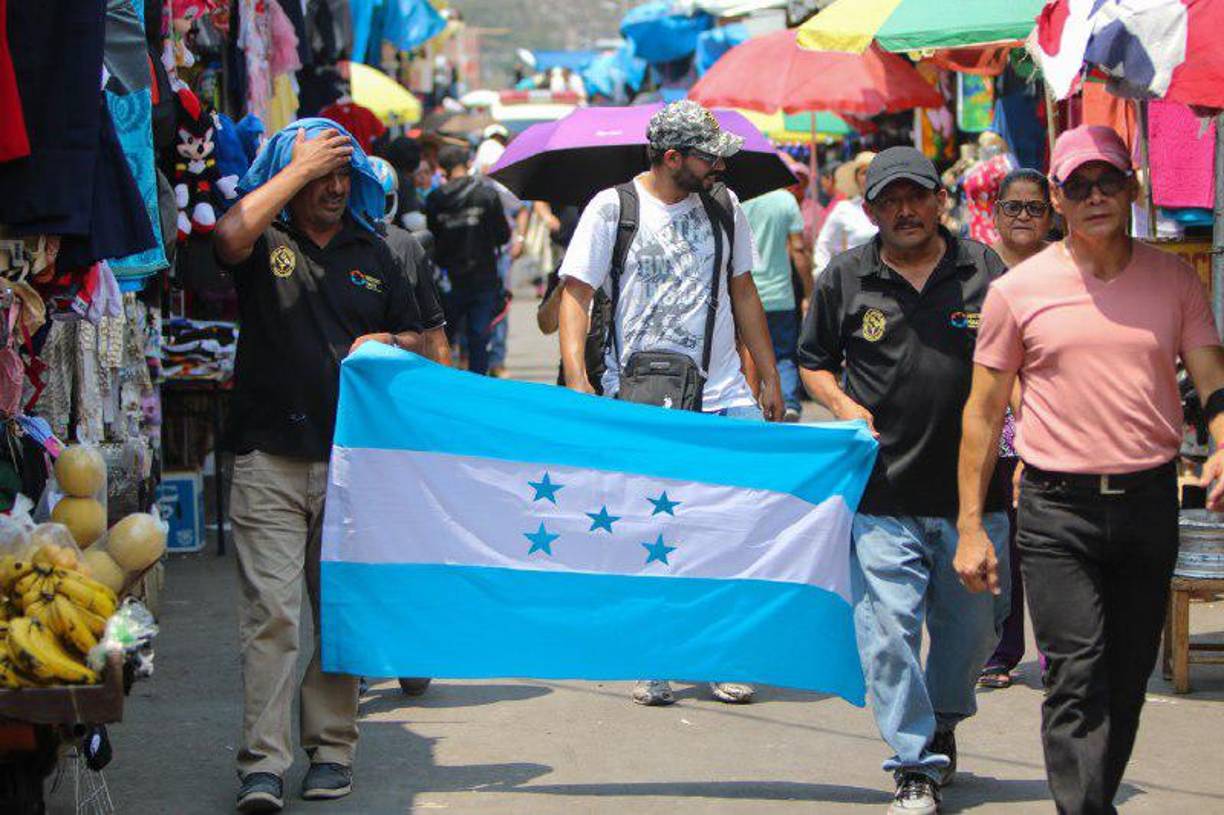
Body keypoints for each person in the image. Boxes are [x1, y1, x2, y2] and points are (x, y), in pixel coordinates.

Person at [956, 124, 1224, 815]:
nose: (1096, 195)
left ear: (1132, 186)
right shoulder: (1020, 290)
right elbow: (983, 414)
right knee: (1075, 675)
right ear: (1057, 199)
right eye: (1079, 185)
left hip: (1147, 503)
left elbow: (1212, 381)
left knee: (1127, 676)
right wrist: (969, 527)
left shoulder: (1173, 280)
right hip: (1055, 509)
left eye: (1108, 180)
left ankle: (1091, 798)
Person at [214, 122, 425, 813]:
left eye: (344, 173)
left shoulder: (382, 249)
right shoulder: (265, 239)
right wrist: (295, 170)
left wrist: (390, 340)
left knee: (339, 615)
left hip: (354, 469)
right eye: (322, 175)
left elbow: (430, 347)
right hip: (268, 458)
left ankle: (332, 748)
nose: (335, 187)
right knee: (271, 618)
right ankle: (263, 765)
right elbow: (228, 236)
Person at [798, 146, 1010, 815]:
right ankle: (914, 760)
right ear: (871, 210)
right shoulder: (845, 276)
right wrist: (840, 403)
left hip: (975, 498)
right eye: (890, 200)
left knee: (974, 632)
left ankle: (942, 718)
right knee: (887, 631)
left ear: (939, 199)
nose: (905, 210)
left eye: (916, 195)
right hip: (882, 494)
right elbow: (813, 362)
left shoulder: (985, 271)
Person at [557, 100, 784, 707]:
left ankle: (720, 653)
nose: (719, 166)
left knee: (732, 529)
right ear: (672, 156)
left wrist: (767, 372)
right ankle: (655, 655)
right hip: (639, 399)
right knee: (652, 531)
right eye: (708, 156)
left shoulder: (725, 207)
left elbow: (743, 290)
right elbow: (575, 296)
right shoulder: (613, 209)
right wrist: (579, 379)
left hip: (722, 394)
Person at [977, 169, 1054, 690]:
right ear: (996, 211)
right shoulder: (975, 269)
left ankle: (1056, 653)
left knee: (1046, 545)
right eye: (1013, 207)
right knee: (996, 541)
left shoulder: (1067, 269)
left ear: (1051, 214)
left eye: (1034, 207)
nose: (1023, 217)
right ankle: (1000, 650)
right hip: (991, 426)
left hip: (1054, 427)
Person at [425, 144, 510, 375]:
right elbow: (503, 235)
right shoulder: (487, 194)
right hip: (484, 275)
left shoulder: (435, 199)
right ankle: (478, 385)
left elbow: (432, 237)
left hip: (448, 278)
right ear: (469, 163)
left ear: (442, 169)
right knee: (479, 337)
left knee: (443, 336)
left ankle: (443, 383)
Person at [741, 176, 812, 421]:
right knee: (783, 353)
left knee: (749, 349)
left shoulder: (740, 199)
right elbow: (799, 251)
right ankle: (790, 402)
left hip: (746, 291)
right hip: (781, 292)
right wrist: (809, 291)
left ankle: (751, 402)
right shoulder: (786, 200)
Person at [813, 151, 878, 276]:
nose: (869, 177)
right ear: (856, 178)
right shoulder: (844, 209)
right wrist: (824, 276)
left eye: (873, 172)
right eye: (864, 173)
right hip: (857, 282)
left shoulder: (892, 206)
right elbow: (824, 244)